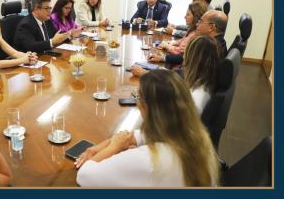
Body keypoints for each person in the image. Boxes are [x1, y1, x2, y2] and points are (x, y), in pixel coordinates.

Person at [75, 70, 219, 187]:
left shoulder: (147, 160)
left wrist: (112, 147)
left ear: (147, 107)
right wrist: (97, 148)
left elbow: (84, 175)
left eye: (138, 96)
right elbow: (132, 136)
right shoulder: (199, 138)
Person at [132, 35, 221, 113]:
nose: (183, 56)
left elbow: (167, 127)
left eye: (186, 53)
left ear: (192, 59)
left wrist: (143, 98)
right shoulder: (202, 83)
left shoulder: (194, 99)